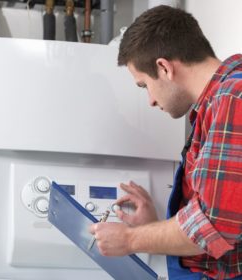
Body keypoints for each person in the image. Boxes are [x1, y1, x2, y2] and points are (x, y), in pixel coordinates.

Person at [89, 5, 242, 280]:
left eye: (144, 85)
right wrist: (155, 227)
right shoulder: (216, 104)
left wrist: (131, 239)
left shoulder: (233, 98)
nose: (150, 100)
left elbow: (213, 226)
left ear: (164, 67)